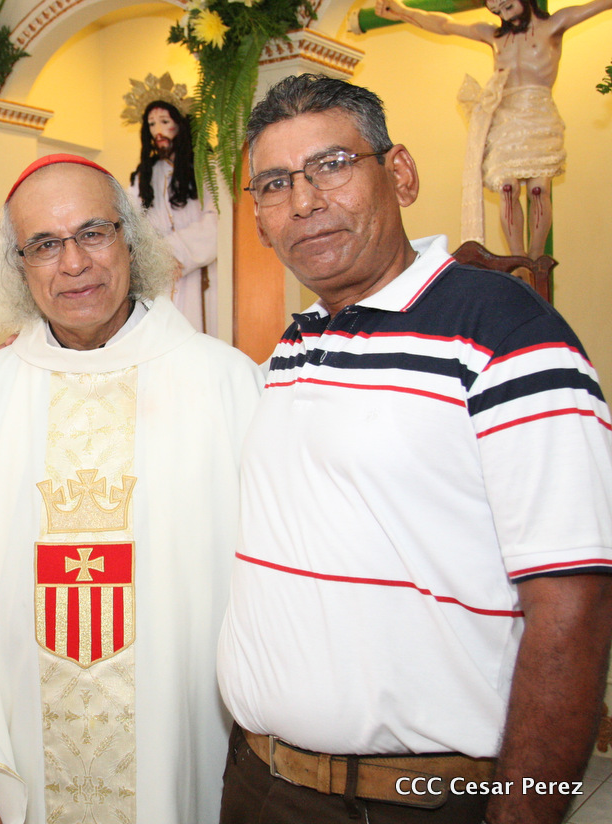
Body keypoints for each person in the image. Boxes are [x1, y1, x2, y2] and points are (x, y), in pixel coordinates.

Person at [217, 73, 612, 824]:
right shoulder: (294, 347)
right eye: (275, 183)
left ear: (399, 174)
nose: (304, 201)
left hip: (408, 801)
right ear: (260, 220)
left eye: (332, 165)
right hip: (262, 783)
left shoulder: (506, 333)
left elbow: (574, 601)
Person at [0, 154, 262, 824]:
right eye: (44, 244)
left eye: (93, 233)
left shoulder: (227, 385)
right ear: (18, 267)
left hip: (188, 740)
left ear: (130, 241)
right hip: (13, 746)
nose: (73, 263)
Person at [374, 0, 612, 259]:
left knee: (538, 189)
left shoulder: (554, 24)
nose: (503, 12)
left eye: (506, 5)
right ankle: (518, 258)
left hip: (539, 113)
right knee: (507, 188)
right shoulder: (495, 36)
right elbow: (445, 25)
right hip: (505, 119)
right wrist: (402, 10)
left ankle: (536, 258)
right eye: (497, 9)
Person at [126, 83, 219, 335]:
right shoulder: (143, 177)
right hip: (161, 277)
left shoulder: (206, 170)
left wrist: (175, 251)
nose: (157, 130)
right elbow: (132, 224)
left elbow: (217, 222)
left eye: (164, 122)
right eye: (151, 124)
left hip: (200, 273)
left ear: (180, 124)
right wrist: (157, 257)